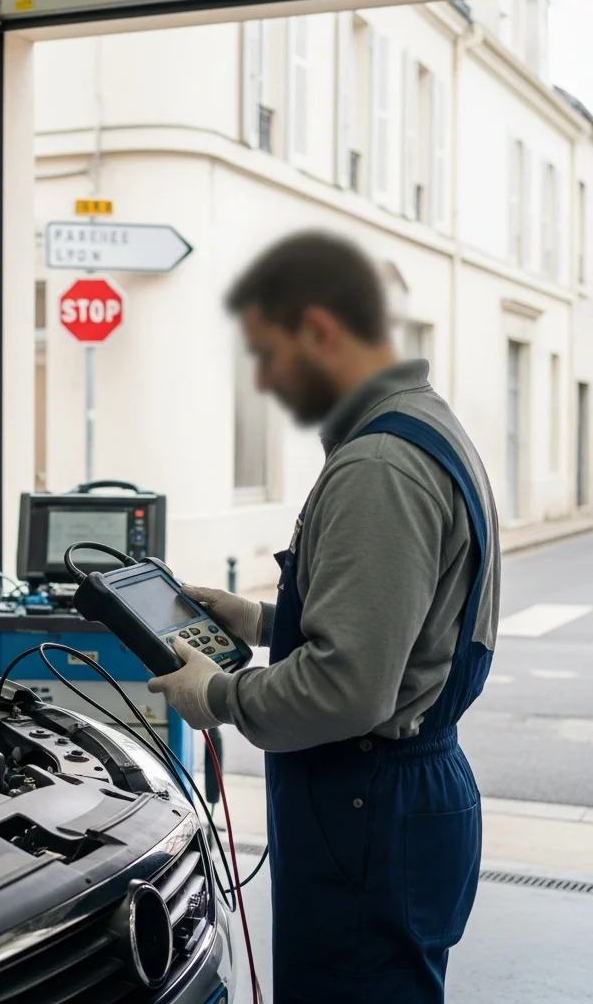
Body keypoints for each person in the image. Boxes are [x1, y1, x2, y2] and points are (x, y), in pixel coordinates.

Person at [149, 231, 500, 1004]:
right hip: (397, 798)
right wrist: (263, 620)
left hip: (369, 803)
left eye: (270, 354)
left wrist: (217, 697)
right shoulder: (425, 427)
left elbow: (350, 686)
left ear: (321, 329)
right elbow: (406, 623)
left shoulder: (378, 465)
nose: (268, 380)